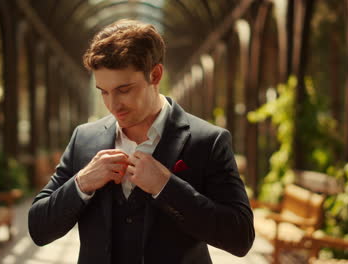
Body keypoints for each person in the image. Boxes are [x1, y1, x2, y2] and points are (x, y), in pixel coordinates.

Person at [28, 19, 254, 264]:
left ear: (155, 75)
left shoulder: (208, 141)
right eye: (103, 91)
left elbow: (240, 237)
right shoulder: (84, 138)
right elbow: (39, 229)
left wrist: (166, 186)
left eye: (124, 89)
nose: (113, 105)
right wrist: (82, 183)